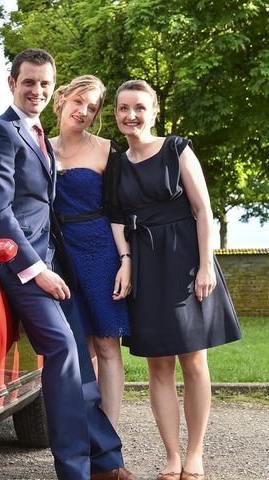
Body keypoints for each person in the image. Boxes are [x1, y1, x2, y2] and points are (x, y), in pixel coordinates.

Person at [0, 48, 136, 480]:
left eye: (44, 83)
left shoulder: (39, 135)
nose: (37, 90)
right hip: (12, 259)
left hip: (51, 260)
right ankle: (74, 471)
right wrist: (36, 269)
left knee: (80, 357)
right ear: (12, 83)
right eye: (29, 82)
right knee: (62, 349)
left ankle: (105, 462)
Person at [110, 79, 242, 480]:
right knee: (158, 367)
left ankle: (195, 455)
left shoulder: (177, 148)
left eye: (139, 107)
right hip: (146, 265)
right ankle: (171, 456)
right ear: (115, 114)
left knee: (195, 361)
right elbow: (116, 217)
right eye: (122, 108)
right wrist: (127, 261)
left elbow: (203, 210)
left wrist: (206, 265)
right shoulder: (116, 162)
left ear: (153, 112)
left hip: (185, 260)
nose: (130, 115)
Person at [49, 75, 131, 428]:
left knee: (107, 344)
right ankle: (82, 431)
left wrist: (125, 260)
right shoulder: (38, 146)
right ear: (63, 97)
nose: (83, 111)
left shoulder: (106, 148)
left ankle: (109, 438)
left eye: (92, 107)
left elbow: (117, 210)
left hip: (100, 251)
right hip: (58, 254)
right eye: (79, 101)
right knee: (77, 348)